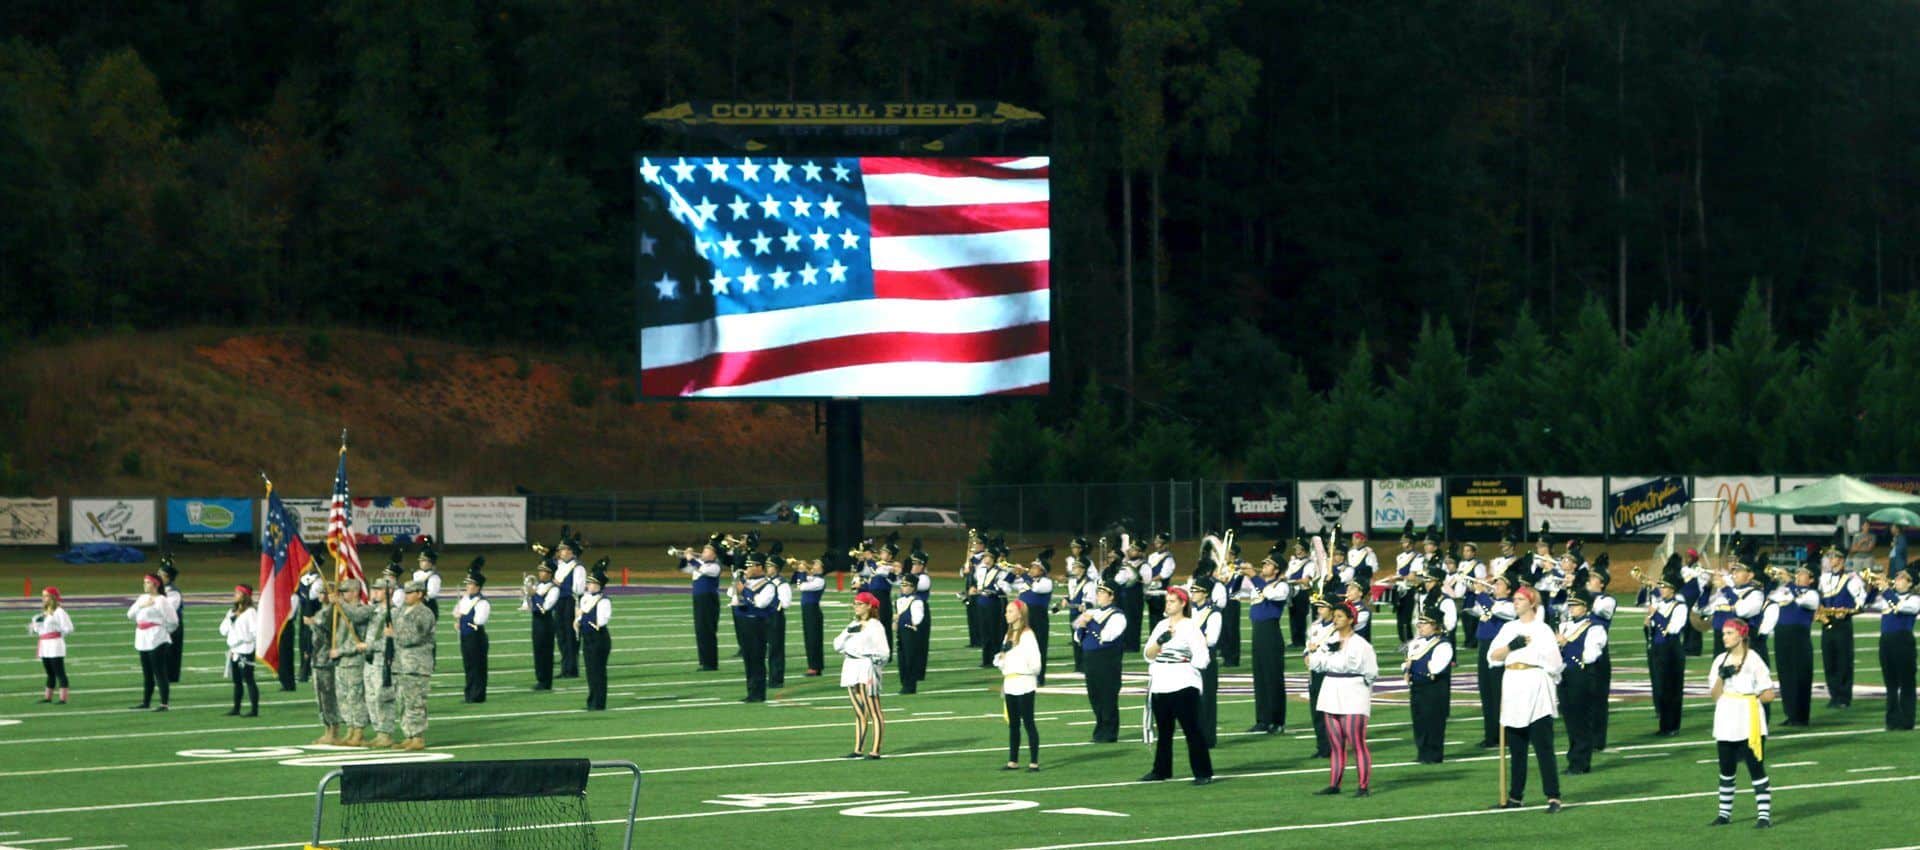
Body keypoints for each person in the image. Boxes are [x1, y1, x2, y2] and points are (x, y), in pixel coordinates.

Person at [1490, 585, 1565, 813]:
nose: (1515, 602)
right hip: (1513, 684)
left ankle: (1553, 796)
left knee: (1543, 747)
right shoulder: (1508, 628)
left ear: (1532, 602)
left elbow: (1555, 663)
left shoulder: (1542, 630)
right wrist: (1513, 645)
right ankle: (1515, 796)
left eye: (1520, 599)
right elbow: (1493, 656)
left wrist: (1538, 659)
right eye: (1514, 599)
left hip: (1535, 685)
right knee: (1517, 748)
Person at [1141, 587, 1214, 786]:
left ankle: (1202, 771)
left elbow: (1202, 657)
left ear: (1183, 603)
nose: (1168, 604)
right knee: (1164, 731)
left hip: (1183, 683)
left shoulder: (1190, 626)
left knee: (1192, 729)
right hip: (1161, 682)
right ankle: (1161, 770)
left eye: (1173, 601)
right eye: (1167, 600)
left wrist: (1185, 665)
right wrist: (1161, 641)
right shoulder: (1161, 626)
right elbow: (1148, 654)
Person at [1709, 619, 1776, 828]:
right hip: (1726, 717)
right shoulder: (1720, 659)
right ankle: (1724, 814)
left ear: (1740, 635)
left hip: (1748, 718)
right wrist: (1722, 676)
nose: (1724, 637)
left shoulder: (1754, 660)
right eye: (1724, 633)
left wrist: (1752, 697)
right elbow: (1714, 695)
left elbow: (1769, 693)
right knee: (1726, 767)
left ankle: (1764, 815)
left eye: (1729, 633)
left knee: (1755, 766)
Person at [1308, 599, 1378, 795]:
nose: (1336, 620)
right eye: (1335, 616)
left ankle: (1363, 785)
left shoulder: (1361, 644)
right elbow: (1315, 664)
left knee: (1356, 742)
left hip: (1353, 693)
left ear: (1350, 620)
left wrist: (1330, 660)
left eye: (1340, 617)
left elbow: (1370, 671)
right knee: (1336, 743)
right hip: (1331, 690)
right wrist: (1315, 653)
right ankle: (1334, 784)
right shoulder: (1327, 639)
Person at [1556, 591, 1607, 774]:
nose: (1571, 609)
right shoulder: (1564, 626)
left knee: (1581, 720)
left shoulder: (1595, 628)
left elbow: (1590, 656)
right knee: (1570, 720)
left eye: (1575, 605)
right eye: (1570, 605)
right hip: (1563, 676)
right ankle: (1574, 759)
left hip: (1582, 676)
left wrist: (1565, 644)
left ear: (1586, 607)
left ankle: (1581, 762)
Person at [835, 591, 890, 759]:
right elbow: (837, 645)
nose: (856, 606)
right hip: (850, 666)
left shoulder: (875, 626)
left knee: (874, 709)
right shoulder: (853, 624)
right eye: (855, 603)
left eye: (859, 604)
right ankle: (858, 749)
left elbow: (884, 652)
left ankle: (875, 750)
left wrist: (872, 662)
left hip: (867, 667)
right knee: (859, 710)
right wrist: (848, 633)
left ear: (869, 606)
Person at [1470, 566, 1520, 748]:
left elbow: (1496, 610)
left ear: (1508, 589)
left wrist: (1482, 594)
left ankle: (1504, 736)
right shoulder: (1492, 602)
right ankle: (1490, 735)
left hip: (1499, 649)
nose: (1495, 585)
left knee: (1499, 693)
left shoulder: (1509, 605)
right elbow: (1478, 609)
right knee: (1486, 693)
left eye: (1500, 584)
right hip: (1484, 647)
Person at [1075, 582, 1128, 743]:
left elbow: (1107, 636)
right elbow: (1078, 638)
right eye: (1098, 592)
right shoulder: (1093, 612)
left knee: (1108, 696)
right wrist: (1082, 625)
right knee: (1095, 695)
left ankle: (1110, 732)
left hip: (1107, 659)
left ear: (1111, 597)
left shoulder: (1118, 616)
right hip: (1090, 659)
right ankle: (1100, 729)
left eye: (1102, 592)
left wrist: (1090, 622)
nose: (1098, 595)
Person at [996, 599, 1044, 771]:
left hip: (1024, 682)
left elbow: (1035, 661)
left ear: (1019, 614)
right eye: (1007, 611)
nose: (1006, 614)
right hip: (1010, 682)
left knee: (1028, 722)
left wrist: (1027, 672)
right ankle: (1013, 760)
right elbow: (1003, 657)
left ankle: (1034, 762)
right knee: (1013, 724)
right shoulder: (1008, 635)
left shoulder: (1027, 635)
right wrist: (1002, 663)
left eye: (1010, 611)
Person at [1767, 564, 1818, 727]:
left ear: (1811, 579)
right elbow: (1768, 598)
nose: (1798, 576)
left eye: (1803, 574)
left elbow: (1803, 602)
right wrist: (1771, 581)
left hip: (1799, 637)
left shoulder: (1812, 594)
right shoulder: (1784, 590)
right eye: (1797, 573)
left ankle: (1801, 716)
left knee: (1800, 675)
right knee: (1785, 675)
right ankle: (1790, 714)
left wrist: (1789, 583)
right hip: (1782, 635)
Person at [1868, 568, 1918, 731]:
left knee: (1906, 683)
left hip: (1903, 641)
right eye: (1896, 577)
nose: (1897, 579)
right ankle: (1891, 720)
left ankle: (1906, 720)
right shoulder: (1887, 596)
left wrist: (1886, 590)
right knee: (1890, 684)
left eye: (1902, 578)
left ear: (1910, 583)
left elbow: (1900, 607)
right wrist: (1874, 587)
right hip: (1886, 641)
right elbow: (1866, 603)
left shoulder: (1915, 599)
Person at [1404, 603, 1454, 764]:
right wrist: (1406, 669)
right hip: (1418, 688)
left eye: (1424, 623)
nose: (1420, 626)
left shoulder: (1444, 644)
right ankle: (1422, 752)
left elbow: (1435, 668)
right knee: (1419, 722)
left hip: (1435, 689)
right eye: (1420, 622)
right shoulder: (1417, 642)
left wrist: (1411, 667)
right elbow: (1407, 663)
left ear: (1435, 626)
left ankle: (1433, 755)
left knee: (1433, 722)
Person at [1247, 550, 1291, 734]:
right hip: (1257, 630)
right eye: (1263, 564)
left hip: (1271, 631)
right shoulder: (1258, 584)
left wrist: (1254, 577)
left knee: (1273, 677)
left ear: (1276, 569)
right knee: (1260, 677)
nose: (1264, 566)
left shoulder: (1282, 586)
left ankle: (1277, 721)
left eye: (1268, 564)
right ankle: (1262, 720)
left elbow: (1271, 595)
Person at [390, 579, 437, 750]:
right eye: (405, 592)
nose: (406, 596)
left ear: (419, 594)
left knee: (415, 701)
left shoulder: (424, 613)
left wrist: (393, 634)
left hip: (417, 665)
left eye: (410, 593)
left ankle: (418, 737)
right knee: (403, 701)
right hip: (401, 664)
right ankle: (409, 734)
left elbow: (414, 637)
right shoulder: (401, 611)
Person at [1646, 560, 1690, 736]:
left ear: (1672, 589)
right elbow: (1654, 629)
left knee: (1672, 688)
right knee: (1661, 688)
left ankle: (1673, 726)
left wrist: (1655, 614)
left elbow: (1672, 629)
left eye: (1664, 586)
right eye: (1661, 586)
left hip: (1672, 650)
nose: (1661, 589)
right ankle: (1664, 725)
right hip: (1658, 649)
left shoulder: (1680, 607)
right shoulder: (1661, 604)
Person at [1817, 547, 1864, 708]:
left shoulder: (1851, 578)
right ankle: (1834, 695)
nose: (1831, 559)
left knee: (1844, 660)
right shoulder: (1824, 578)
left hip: (1842, 623)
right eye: (1829, 556)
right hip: (1826, 621)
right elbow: (1820, 598)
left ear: (1842, 560)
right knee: (1829, 660)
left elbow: (1860, 601)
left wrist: (1848, 611)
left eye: (1834, 557)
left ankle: (1844, 697)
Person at [128, 573, 177, 711]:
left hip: (157, 638)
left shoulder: (162, 600)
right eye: (144, 582)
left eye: (148, 582)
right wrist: (142, 606)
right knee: (147, 672)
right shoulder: (142, 598)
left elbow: (173, 621)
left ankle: (164, 704)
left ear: (156, 585)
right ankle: (146, 702)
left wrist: (163, 631)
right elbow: (130, 615)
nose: (144, 585)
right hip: (142, 639)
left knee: (159, 672)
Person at [333, 578, 372, 747]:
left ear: (356, 592)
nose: (343, 595)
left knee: (356, 698)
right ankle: (350, 729)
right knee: (344, 698)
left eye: (346, 591)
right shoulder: (342, 610)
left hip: (354, 660)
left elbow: (355, 617)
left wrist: (340, 603)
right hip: (342, 661)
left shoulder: (363, 610)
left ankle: (359, 732)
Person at [734, 553, 777, 702]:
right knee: (748, 658)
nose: (748, 568)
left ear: (760, 567)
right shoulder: (747, 582)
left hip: (758, 624)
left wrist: (744, 590)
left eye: (751, 565)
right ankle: (751, 691)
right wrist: (740, 582)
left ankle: (759, 693)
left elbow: (760, 603)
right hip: (744, 622)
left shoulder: (768, 585)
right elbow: (730, 594)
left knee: (757, 658)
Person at [1190, 573, 1225, 747]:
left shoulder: (1214, 613)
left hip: (1206, 659)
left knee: (1207, 700)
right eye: (1192, 590)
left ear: (1206, 593)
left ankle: (1208, 738)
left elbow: (1211, 639)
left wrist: (1190, 638)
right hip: (1190, 659)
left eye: (1197, 591)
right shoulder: (1191, 611)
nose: (1193, 594)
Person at [682, 536, 725, 672]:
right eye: (703, 551)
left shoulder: (715, 566)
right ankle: (704, 661)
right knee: (700, 630)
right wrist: (685, 557)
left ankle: (711, 663)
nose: (703, 553)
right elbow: (684, 569)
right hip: (699, 599)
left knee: (707, 630)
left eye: (706, 551)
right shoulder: (700, 563)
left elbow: (702, 569)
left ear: (713, 555)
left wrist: (691, 558)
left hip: (708, 600)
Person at [219, 584, 261, 717]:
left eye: (237, 593)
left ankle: (254, 709)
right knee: (236, 681)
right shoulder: (231, 612)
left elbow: (255, 631)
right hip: (234, 651)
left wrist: (247, 639)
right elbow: (222, 631)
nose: (234, 595)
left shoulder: (251, 612)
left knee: (249, 679)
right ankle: (236, 708)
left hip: (246, 650)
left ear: (244, 596)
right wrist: (230, 620)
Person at [307, 582, 342, 744]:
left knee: (328, 695)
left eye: (325, 593)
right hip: (318, 658)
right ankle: (327, 727)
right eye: (321, 593)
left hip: (327, 659)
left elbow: (326, 630)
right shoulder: (322, 611)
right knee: (320, 696)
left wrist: (313, 623)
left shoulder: (332, 612)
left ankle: (333, 729)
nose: (322, 596)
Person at [579, 560, 613, 711]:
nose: (588, 585)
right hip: (587, 638)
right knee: (590, 671)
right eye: (588, 582)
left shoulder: (604, 601)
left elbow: (600, 621)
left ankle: (599, 703)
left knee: (598, 671)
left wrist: (582, 619)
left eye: (592, 583)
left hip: (599, 639)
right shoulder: (586, 598)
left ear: (599, 585)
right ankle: (592, 700)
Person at [454, 559, 491, 703]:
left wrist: (463, 619)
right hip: (466, 636)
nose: (468, 587)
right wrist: (459, 619)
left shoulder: (482, 602)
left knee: (478, 666)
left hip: (476, 637)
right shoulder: (465, 599)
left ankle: (478, 695)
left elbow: (479, 620)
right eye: (467, 584)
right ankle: (469, 693)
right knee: (468, 666)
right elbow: (456, 612)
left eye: (470, 584)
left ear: (477, 587)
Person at [1304, 597, 1336, 758]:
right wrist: (1306, 654)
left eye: (1322, 607)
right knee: (1316, 710)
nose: (1319, 610)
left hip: (1329, 671)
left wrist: (1317, 649)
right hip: (1314, 672)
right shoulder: (1315, 625)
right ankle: (1322, 746)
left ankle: (1334, 745)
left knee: (1330, 710)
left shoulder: (1337, 628)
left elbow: (1334, 648)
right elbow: (1308, 644)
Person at [1017, 549, 1054, 686]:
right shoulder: (1028, 581)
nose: (1031, 569)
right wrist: (1012, 573)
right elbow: (1008, 586)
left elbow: (1037, 589)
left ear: (1042, 571)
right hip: (1024, 615)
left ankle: (1039, 677)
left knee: (1038, 647)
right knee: (1022, 646)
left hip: (1038, 616)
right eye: (1031, 567)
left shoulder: (1046, 582)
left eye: (1035, 567)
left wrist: (1025, 575)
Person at [29, 587, 72, 704]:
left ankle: (63, 698)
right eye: (43, 596)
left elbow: (68, 628)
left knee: (59, 672)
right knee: (49, 672)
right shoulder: (45, 612)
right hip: (45, 645)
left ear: (53, 597)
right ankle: (48, 697)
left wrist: (57, 632)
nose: (43, 598)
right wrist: (35, 625)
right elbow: (40, 630)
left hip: (55, 645)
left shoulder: (59, 612)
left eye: (46, 596)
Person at [551, 537, 585, 679]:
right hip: (559, 603)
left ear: (571, 551)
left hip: (571, 603)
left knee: (571, 636)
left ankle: (572, 669)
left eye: (564, 549)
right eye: (560, 549)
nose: (561, 552)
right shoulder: (559, 565)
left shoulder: (578, 568)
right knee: (561, 636)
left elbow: (579, 589)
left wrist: (560, 585)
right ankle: (565, 668)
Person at [976, 542, 1013, 667]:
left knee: (995, 631)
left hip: (994, 604)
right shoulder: (980, 570)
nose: (986, 559)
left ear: (995, 559)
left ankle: (996, 658)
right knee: (984, 631)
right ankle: (986, 659)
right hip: (982, 603)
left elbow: (1006, 589)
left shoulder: (1001, 572)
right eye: (985, 556)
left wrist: (996, 590)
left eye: (990, 557)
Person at [525, 560, 559, 691]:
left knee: (546, 652)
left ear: (550, 573)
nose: (540, 573)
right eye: (539, 570)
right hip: (536, 621)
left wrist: (534, 595)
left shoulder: (554, 589)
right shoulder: (538, 586)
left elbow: (545, 607)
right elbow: (531, 605)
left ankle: (546, 682)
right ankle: (540, 679)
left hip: (546, 622)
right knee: (538, 651)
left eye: (543, 571)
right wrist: (527, 597)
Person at [894, 566, 927, 695]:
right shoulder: (899, 600)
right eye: (902, 584)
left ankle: (910, 685)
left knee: (910, 659)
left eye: (906, 585)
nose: (903, 587)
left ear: (913, 587)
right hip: (901, 632)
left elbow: (917, 618)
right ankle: (904, 682)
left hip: (910, 633)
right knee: (902, 659)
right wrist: (896, 622)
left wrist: (908, 622)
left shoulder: (917, 601)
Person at [797, 558, 827, 676]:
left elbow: (801, 586)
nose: (813, 566)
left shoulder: (819, 581)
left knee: (813, 639)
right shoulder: (813, 578)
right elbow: (797, 581)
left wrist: (802, 572)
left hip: (812, 611)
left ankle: (814, 667)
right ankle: (815, 666)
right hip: (808, 611)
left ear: (822, 568)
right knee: (809, 638)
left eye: (816, 564)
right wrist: (799, 569)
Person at [1144, 532, 1178, 632]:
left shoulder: (1169, 558)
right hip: (1150, 591)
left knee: (1160, 618)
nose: (1157, 545)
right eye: (1156, 542)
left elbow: (1164, 575)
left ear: (1166, 544)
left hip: (1161, 592)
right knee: (1152, 618)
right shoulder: (1151, 556)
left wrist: (1148, 580)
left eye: (1160, 543)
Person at [767, 549, 791, 688]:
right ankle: (770, 677)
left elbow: (786, 602)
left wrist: (774, 605)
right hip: (766, 616)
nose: (767, 568)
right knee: (769, 649)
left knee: (776, 648)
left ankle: (776, 679)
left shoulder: (781, 583)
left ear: (776, 568)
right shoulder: (768, 581)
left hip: (776, 616)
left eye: (769, 566)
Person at [1286, 538, 1315, 648]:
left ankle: (1301, 641)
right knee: (1292, 616)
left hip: (1302, 592)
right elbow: (1288, 574)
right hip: (1292, 592)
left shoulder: (1310, 563)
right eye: (1296, 549)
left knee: (1300, 617)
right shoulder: (1292, 561)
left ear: (1305, 550)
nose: (1297, 551)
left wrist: (1291, 581)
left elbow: (1306, 580)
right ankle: (1295, 640)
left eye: (1299, 549)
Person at [413, 536, 444, 619]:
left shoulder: (434, 577)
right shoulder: (416, 574)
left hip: (428, 607)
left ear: (431, 562)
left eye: (423, 560)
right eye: (420, 560)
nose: (420, 562)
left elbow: (432, 594)